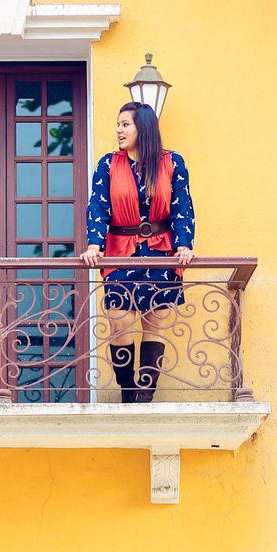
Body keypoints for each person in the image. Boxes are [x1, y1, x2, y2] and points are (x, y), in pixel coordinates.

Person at [81, 101, 195, 402]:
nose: (118, 130)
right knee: (118, 315)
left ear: (142, 127)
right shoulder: (108, 164)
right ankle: (127, 387)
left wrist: (184, 244)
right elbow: (98, 205)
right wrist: (95, 243)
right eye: (118, 125)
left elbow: (182, 205)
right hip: (121, 251)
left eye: (125, 124)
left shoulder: (172, 163)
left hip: (160, 250)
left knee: (155, 320)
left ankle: (145, 394)